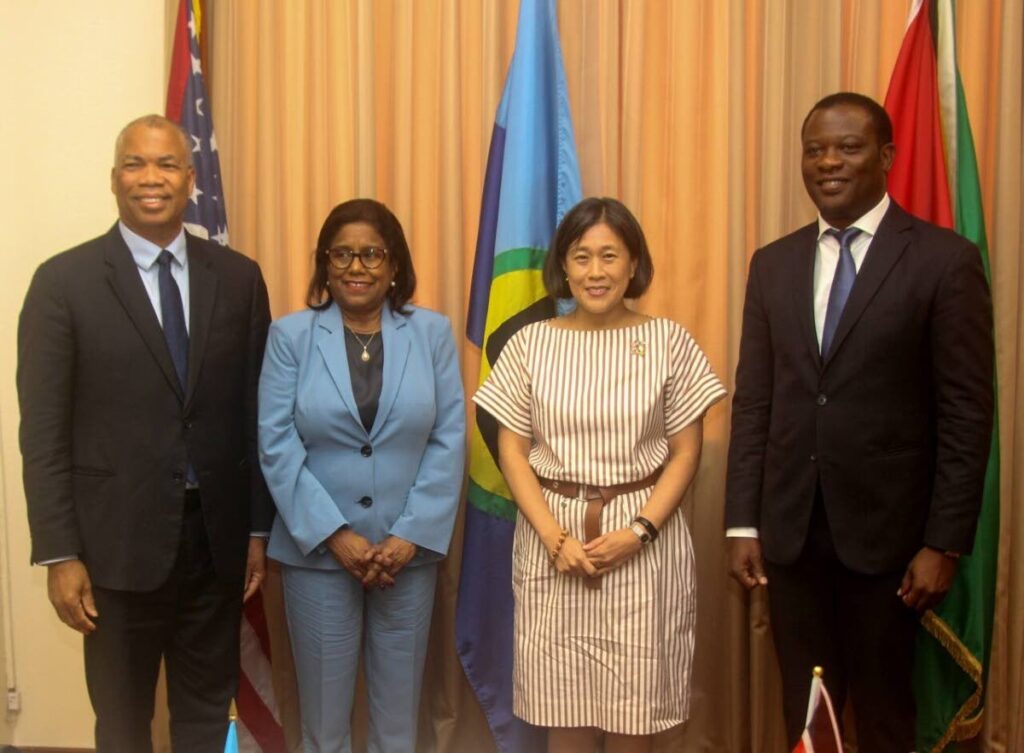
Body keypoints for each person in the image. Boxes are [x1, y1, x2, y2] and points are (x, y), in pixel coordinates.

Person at [725, 92, 994, 751]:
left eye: (847, 147)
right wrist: (742, 521)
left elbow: (967, 413)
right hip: (790, 536)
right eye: (814, 149)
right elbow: (755, 399)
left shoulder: (943, 260)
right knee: (808, 713)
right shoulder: (773, 263)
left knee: (883, 716)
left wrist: (945, 543)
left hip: (894, 546)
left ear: (886, 156)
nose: (828, 162)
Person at [17, 114, 273, 753]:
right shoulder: (62, 283)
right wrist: (59, 553)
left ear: (190, 180)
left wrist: (256, 531)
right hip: (112, 550)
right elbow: (43, 432)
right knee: (123, 721)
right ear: (113, 180)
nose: (150, 178)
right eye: (135, 164)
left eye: (165, 165)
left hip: (213, 544)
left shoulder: (239, 280)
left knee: (206, 715)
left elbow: (255, 413)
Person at [474, 197, 726, 753]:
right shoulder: (531, 344)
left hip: (643, 541)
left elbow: (687, 452)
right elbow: (511, 450)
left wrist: (639, 531)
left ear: (634, 264)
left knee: (633, 714)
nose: (596, 271)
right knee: (564, 713)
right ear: (563, 266)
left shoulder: (669, 343)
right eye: (582, 256)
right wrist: (553, 537)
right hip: (552, 542)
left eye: (610, 256)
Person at [258, 198, 465, 753]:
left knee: (398, 719)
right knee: (324, 721)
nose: (357, 266)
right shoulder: (291, 337)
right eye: (342, 253)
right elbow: (276, 443)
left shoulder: (432, 333)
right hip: (318, 556)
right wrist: (336, 535)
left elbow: (449, 438)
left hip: (407, 556)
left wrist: (407, 535)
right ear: (324, 264)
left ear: (394, 264)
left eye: (371, 253)